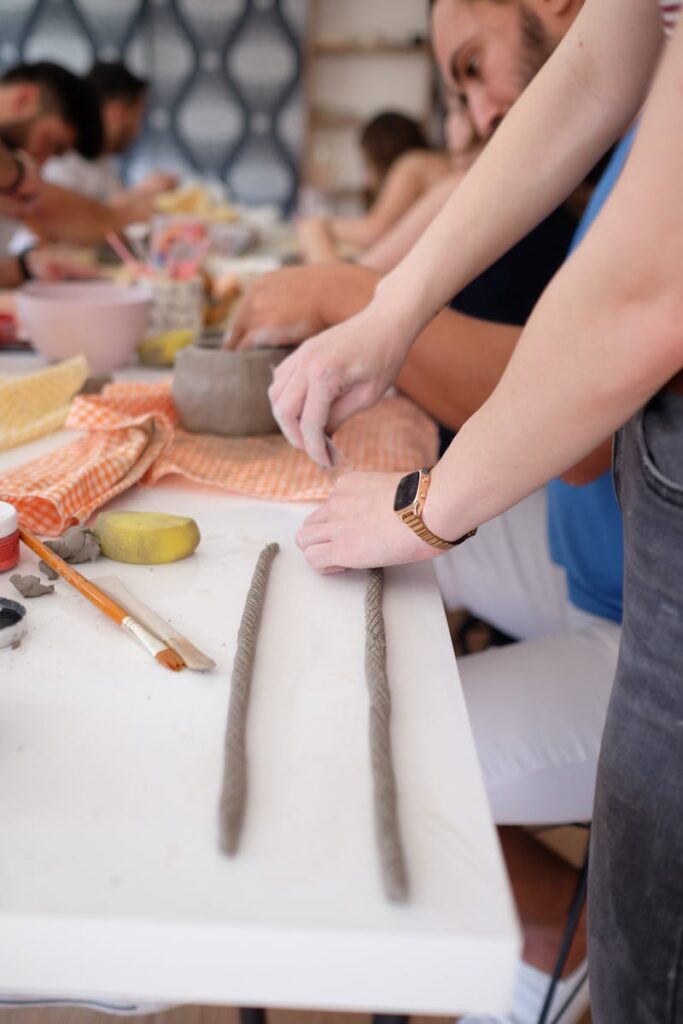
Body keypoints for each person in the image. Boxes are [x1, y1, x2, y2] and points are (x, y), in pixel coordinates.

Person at [270, 0, 681, 1018]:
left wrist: (424, 509)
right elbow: (587, 74)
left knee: (346, 756)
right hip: (606, 554)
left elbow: (637, 313)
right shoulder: (627, 80)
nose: (477, 111)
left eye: (469, 68)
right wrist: (385, 314)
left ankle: (548, 950)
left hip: (636, 609)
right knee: (303, 555)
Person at [297, 107, 479, 263]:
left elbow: (373, 231)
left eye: (367, 164)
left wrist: (318, 226)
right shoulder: (439, 175)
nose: (366, 179)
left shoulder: (414, 164)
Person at [42, 61, 176, 206]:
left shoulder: (101, 160)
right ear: (118, 111)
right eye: (138, 116)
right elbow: (70, 222)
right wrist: (141, 193)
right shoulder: (61, 159)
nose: (137, 131)